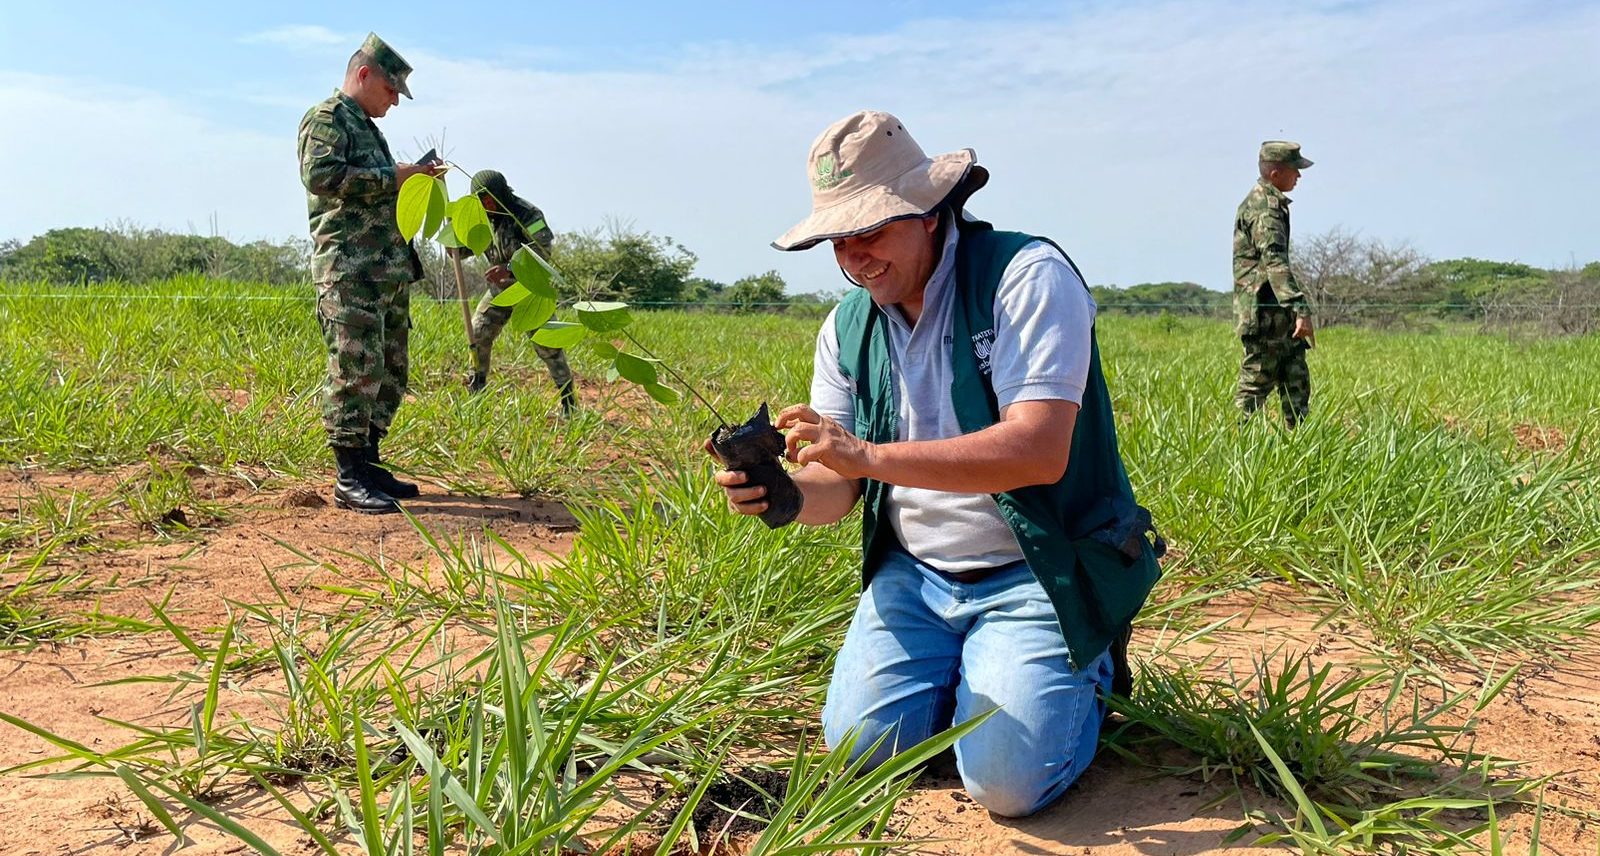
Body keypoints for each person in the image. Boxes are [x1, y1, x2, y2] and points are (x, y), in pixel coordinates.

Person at [710, 111, 1161, 817]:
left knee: (1008, 785)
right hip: (916, 574)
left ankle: (1086, 670)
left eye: (871, 232)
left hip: (1037, 570)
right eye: (838, 240)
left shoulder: (1023, 277)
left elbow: (1039, 452)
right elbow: (842, 484)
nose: (854, 258)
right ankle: (979, 673)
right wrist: (788, 495)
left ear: (928, 212)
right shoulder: (847, 328)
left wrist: (868, 453)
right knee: (864, 755)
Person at [298, 32, 442, 514]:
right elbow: (322, 177)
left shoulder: (366, 126)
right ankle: (348, 474)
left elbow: (377, 194)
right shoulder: (327, 119)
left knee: (390, 370)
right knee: (354, 369)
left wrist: (413, 180)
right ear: (364, 75)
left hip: (385, 269)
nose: (395, 103)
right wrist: (393, 178)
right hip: (349, 268)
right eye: (391, 91)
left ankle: (368, 460)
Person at [453, 170, 577, 413]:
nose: (485, 204)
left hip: (529, 289)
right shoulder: (481, 219)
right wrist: (454, 247)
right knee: (477, 334)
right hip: (498, 291)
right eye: (480, 199)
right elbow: (468, 248)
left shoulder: (527, 213)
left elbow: (543, 250)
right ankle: (475, 394)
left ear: (500, 193)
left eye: (488, 198)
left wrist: (510, 269)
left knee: (548, 346)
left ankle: (568, 401)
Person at [1234, 140, 1316, 427]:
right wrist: (1301, 308)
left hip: (1278, 315)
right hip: (1264, 316)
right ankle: (1240, 450)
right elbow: (1275, 262)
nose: (1299, 175)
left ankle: (1299, 449)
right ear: (1276, 174)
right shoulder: (1265, 209)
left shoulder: (1272, 203)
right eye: (1295, 169)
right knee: (1255, 387)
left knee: (1296, 382)